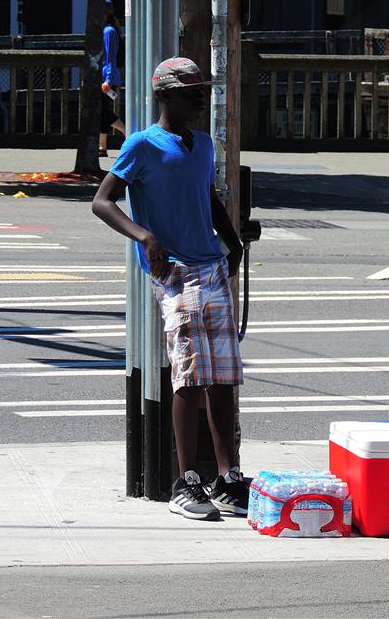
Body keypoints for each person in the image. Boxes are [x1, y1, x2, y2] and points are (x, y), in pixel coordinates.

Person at [92, 57, 248, 520]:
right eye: (190, 92)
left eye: (202, 90)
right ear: (165, 95)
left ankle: (228, 478)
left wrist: (233, 242)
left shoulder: (201, 143)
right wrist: (145, 237)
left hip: (212, 265)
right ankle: (187, 481)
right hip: (177, 272)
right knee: (190, 375)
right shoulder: (142, 144)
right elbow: (102, 201)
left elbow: (208, 197)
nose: (200, 98)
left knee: (223, 376)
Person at [100, 0, 126, 158]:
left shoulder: (108, 31)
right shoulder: (107, 30)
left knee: (102, 112)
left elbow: (110, 57)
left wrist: (108, 80)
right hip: (106, 77)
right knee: (102, 112)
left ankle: (127, 131)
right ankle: (102, 147)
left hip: (107, 78)